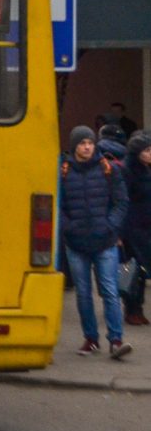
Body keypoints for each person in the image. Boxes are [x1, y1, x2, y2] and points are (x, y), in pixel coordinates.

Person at [60, 126, 132, 359]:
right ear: (74, 147)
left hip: (105, 241)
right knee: (83, 293)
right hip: (76, 244)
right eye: (82, 143)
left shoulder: (108, 169)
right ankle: (91, 339)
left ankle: (116, 340)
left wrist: (110, 226)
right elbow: (57, 205)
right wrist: (69, 227)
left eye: (90, 142)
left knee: (110, 291)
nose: (87, 147)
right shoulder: (63, 171)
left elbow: (121, 202)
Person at [121, 131, 151, 325]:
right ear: (137, 152)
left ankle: (137, 308)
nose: (150, 154)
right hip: (132, 228)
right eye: (147, 150)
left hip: (146, 227)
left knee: (141, 269)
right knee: (133, 269)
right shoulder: (128, 171)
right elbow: (124, 201)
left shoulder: (146, 169)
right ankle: (132, 308)